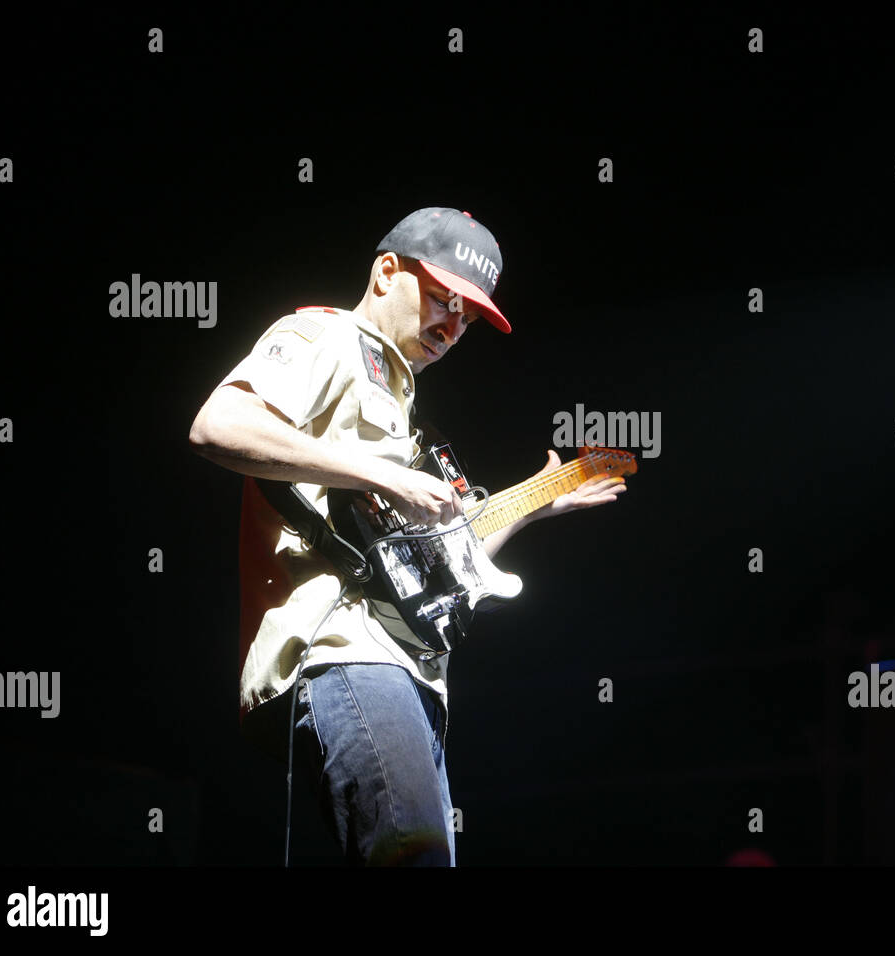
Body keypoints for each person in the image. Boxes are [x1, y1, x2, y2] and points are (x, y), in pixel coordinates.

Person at [187, 207, 626, 865]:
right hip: (345, 653)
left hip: (405, 667)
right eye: (444, 301)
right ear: (386, 271)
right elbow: (218, 423)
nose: (451, 328)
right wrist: (382, 476)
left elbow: (436, 560)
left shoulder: (397, 401)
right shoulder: (324, 338)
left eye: (467, 319)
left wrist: (534, 503)